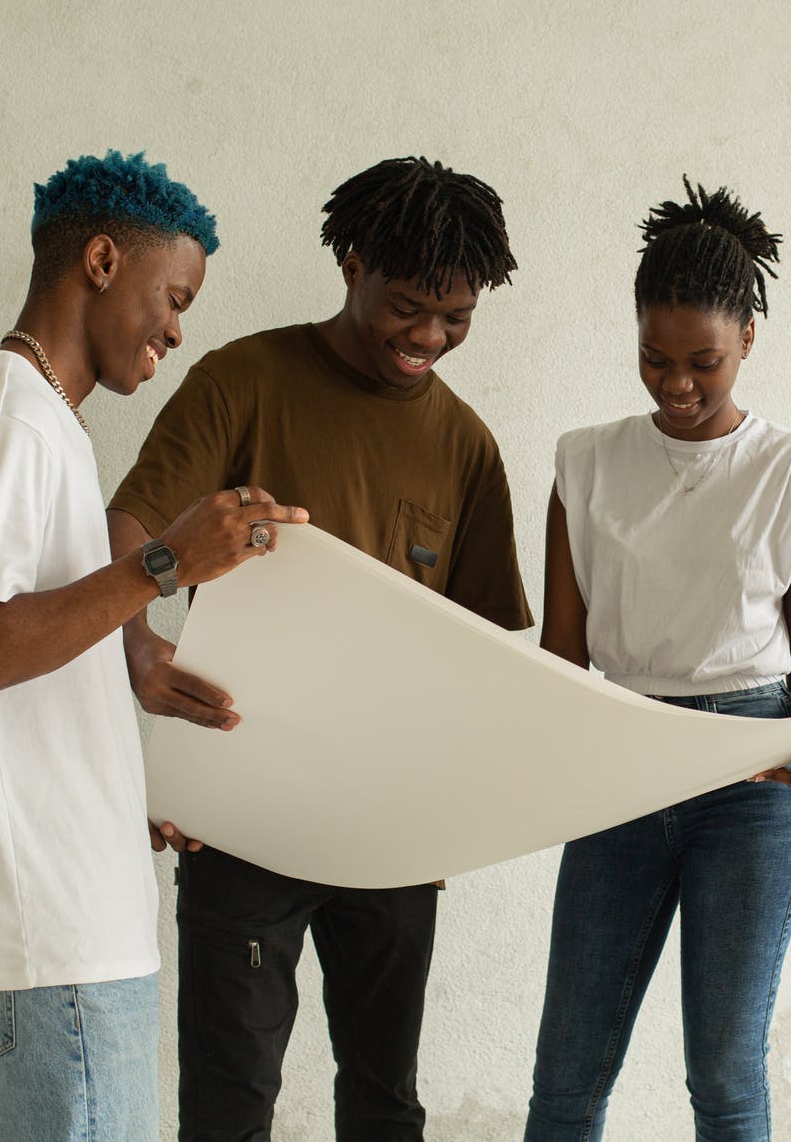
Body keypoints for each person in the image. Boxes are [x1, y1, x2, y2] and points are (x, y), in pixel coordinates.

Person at [0, 150, 308, 1142]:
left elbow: (32, 661)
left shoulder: (47, 429)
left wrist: (130, 786)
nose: (176, 327)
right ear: (104, 261)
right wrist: (163, 563)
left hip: (64, 936)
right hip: (50, 943)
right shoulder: (9, 420)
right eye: (174, 295)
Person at [105, 155, 530, 1142]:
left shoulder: (465, 444)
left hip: (390, 825)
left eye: (456, 316)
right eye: (408, 306)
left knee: (384, 1102)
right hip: (240, 813)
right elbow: (130, 527)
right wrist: (138, 649)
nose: (430, 336)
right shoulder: (245, 380)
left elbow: (482, 656)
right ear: (349, 260)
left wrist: (458, 809)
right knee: (228, 1099)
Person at [524, 179, 791, 1142]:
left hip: (755, 774)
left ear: (749, 335)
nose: (676, 384)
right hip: (619, 769)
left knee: (723, 1071)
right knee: (567, 1071)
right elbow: (561, 654)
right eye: (653, 358)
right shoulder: (583, 464)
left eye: (703, 361)